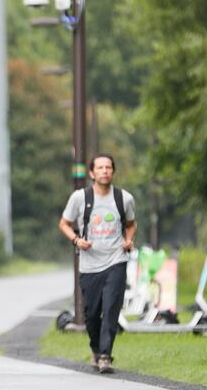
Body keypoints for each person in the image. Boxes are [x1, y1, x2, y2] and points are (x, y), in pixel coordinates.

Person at [58, 154, 137, 373]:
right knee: (92, 314)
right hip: (89, 265)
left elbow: (131, 224)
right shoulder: (79, 198)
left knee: (111, 308)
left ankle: (105, 356)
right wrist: (76, 240)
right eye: (100, 168)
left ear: (113, 171)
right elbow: (64, 223)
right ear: (92, 173)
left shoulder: (124, 198)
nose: (105, 171)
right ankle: (96, 349)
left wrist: (129, 240)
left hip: (116, 261)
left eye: (108, 167)